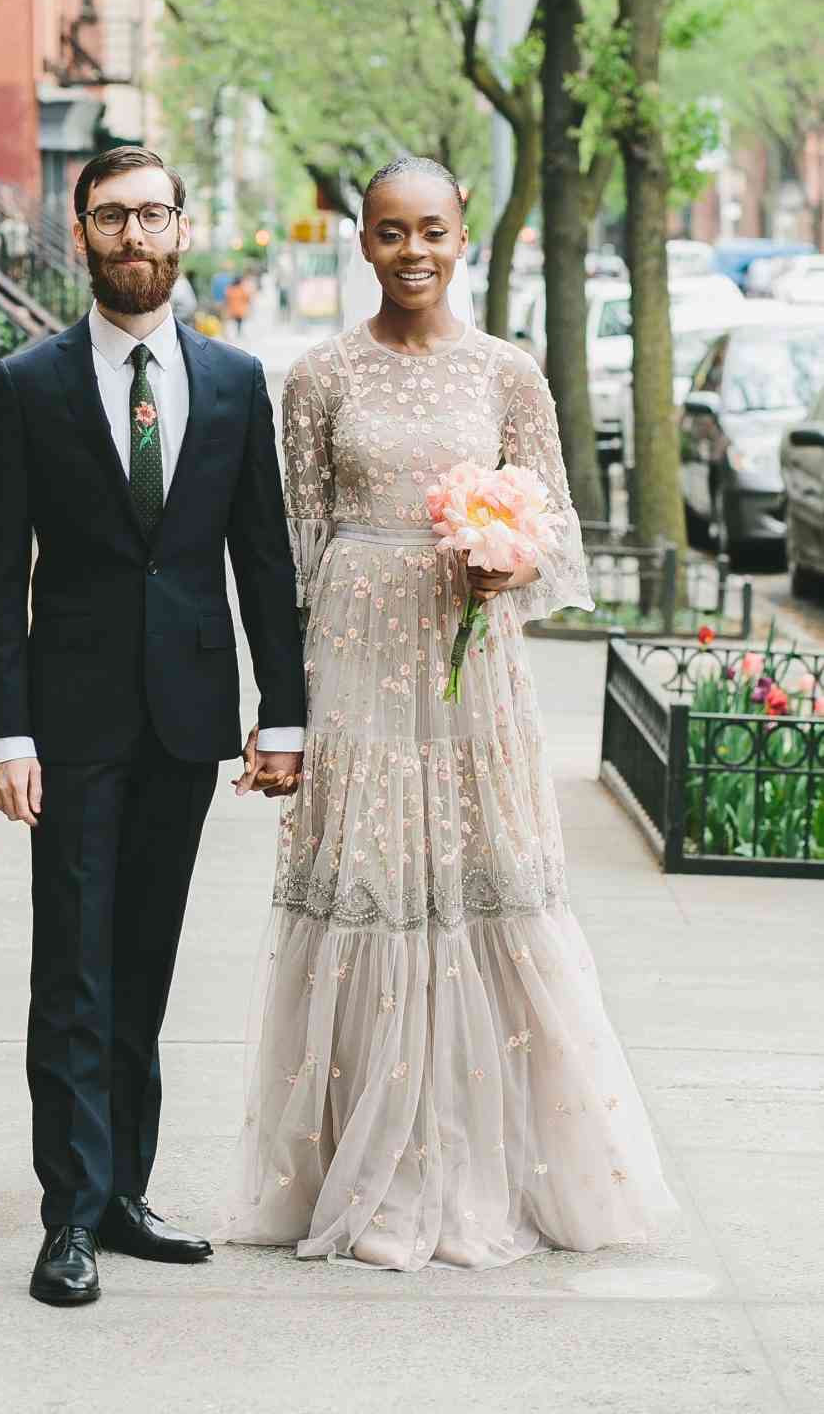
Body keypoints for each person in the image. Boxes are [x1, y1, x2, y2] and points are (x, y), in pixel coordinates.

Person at [228, 156, 676, 1268]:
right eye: (388, 232)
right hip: (356, 665)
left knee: (485, 894)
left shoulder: (509, 373)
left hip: (473, 670)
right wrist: (283, 712)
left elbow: (562, 525)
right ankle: (366, 1170)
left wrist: (507, 563)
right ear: (362, 239)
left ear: (461, 234)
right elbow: (294, 551)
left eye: (429, 229)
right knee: (369, 900)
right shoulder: (317, 376)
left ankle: (487, 1164)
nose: (411, 251)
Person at [0, 146, 307, 1308]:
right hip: (65, 726)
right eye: (110, 215)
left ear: (181, 227)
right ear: (80, 233)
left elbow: (262, 559)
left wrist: (287, 713)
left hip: (185, 717)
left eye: (151, 212)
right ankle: (66, 1213)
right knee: (71, 963)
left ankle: (124, 1193)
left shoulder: (231, 380)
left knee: (144, 966)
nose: (132, 234)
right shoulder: (27, 383)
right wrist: (3, 735)